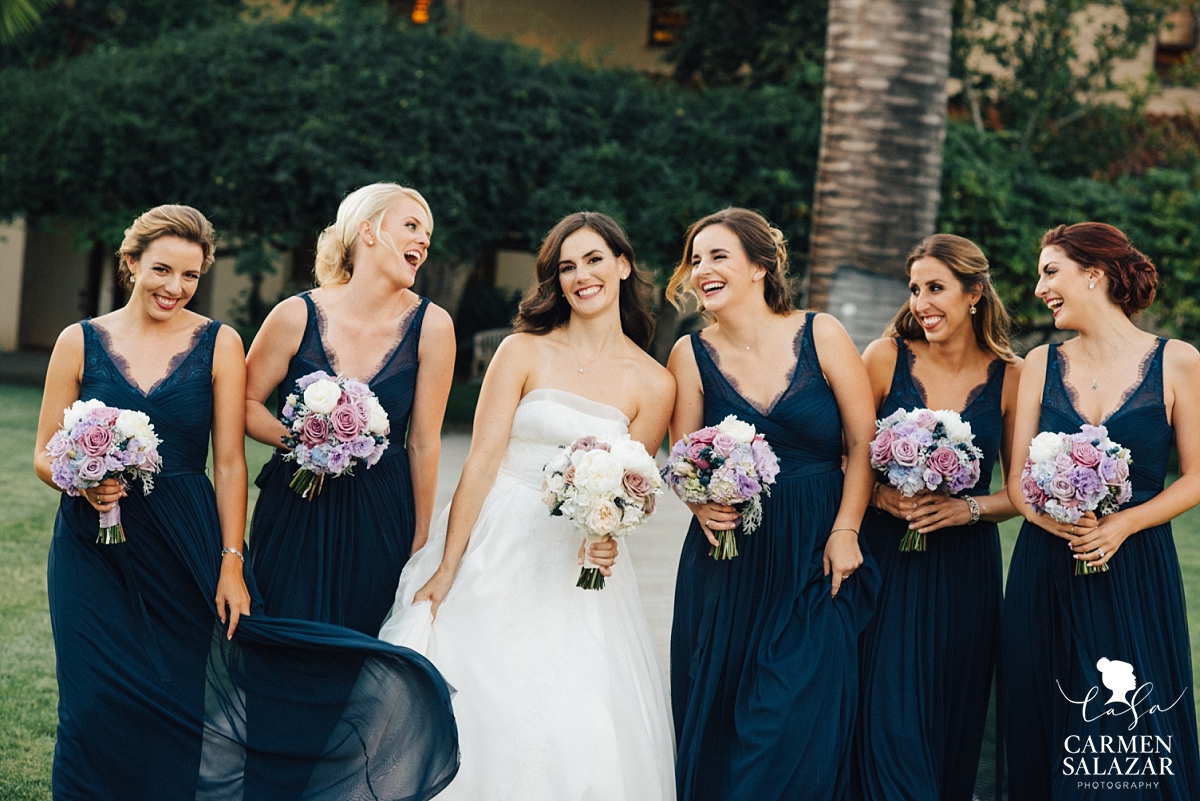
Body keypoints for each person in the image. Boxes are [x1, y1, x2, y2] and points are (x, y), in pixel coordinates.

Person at [34, 205, 458, 800]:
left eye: (189, 277)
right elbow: (44, 455)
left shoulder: (219, 341)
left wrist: (231, 560)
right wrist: (81, 478)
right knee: (90, 697)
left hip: (185, 537)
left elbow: (229, 460)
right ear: (130, 264)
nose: (175, 288)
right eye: (162, 270)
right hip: (91, 544)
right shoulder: (76, 342)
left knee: (181, 695)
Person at [378, 212, 677, 800]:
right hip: (499, 540)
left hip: (576, 563)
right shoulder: (522, 351)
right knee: (481, 689)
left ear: (623, 265)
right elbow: (483, 462)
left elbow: (629, 490)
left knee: (567, 709)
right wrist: (447, 567)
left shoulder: (654, 382)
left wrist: (607, 534)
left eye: (594, 259)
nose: (581, 276)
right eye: (566, 266)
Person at [666, 208, 880, 801]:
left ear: (760, 266)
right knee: (726, 720)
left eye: (718, 256)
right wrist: (698, 506)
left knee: (791, 712)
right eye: (696, 259)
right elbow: (682, 460)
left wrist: (847, 531)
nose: (702, 269)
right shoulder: (690, 354)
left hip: (815, 550)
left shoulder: (822, 334)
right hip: (730, 561)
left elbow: (864, 442)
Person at [1002, 222, 1200, 800]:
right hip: (1046, 568)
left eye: (1051, 272)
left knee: (1127, 738)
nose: (1040, 288)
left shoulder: (1178, 360)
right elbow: (1016, 481)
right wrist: (1054, 521)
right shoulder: (1039, 362)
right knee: (1046, 721)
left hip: (1135, 568)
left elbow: (1196, 477)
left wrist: (1122, 524)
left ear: (1094, 274)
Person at [848, 234, 1021, 801]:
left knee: (951, 712)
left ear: (974, 293)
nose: (921, 301)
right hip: (886, 563)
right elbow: (844, 455)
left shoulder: (1011, 377)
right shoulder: (884, 356)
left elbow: (1018, 494)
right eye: (915, 288)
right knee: (886, 712)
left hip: (963, 573)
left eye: (936, 288)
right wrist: (879, 499)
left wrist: (965, 508)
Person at [245, 182, 455, 634]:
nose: (423, 240)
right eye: (412, 226)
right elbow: (243, 403)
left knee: (362, 655)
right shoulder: (294, 316)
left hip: (382, 513)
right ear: (368, 231)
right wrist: (308, 440)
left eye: (428, 236)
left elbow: (422, 442)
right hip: (297, 504)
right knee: (285, 643)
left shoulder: (433, 327)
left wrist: (421, 540)